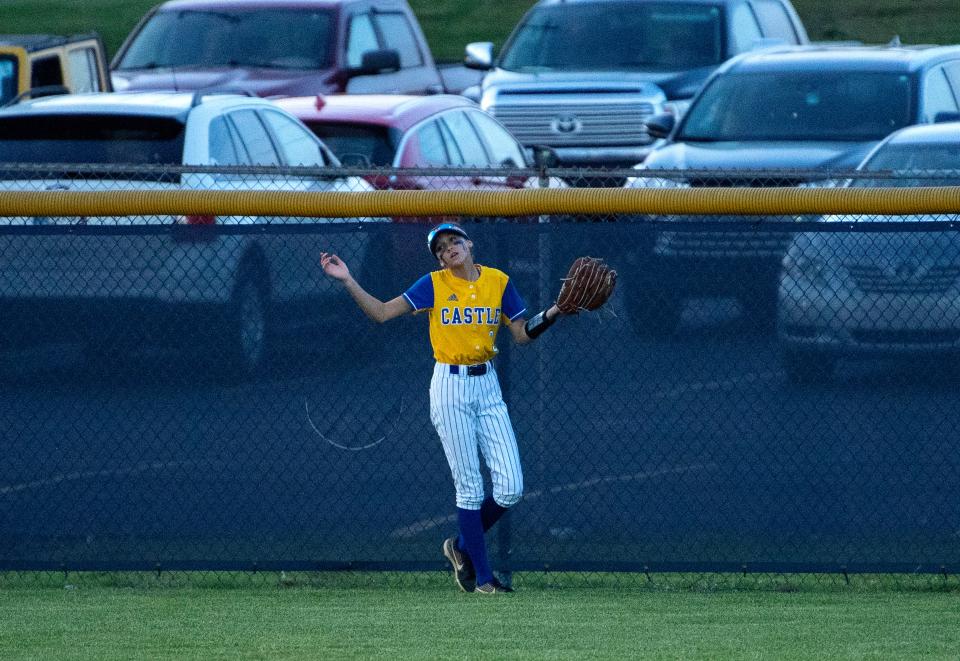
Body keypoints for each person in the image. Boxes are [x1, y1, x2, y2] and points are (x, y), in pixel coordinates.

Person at [321, 222, 565, 594]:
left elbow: (520, 335)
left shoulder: (497, 281)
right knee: (469, 487)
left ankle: (461, 547)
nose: (448, 249)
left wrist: (555, 311)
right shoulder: (434, 284)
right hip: (450, 386)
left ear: (470, 244)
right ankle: (483, 579)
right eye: (440, 248)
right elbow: (383, 313)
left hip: (487, 385)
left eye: (454, 241)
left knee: (511, 487)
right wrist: (348, 280)